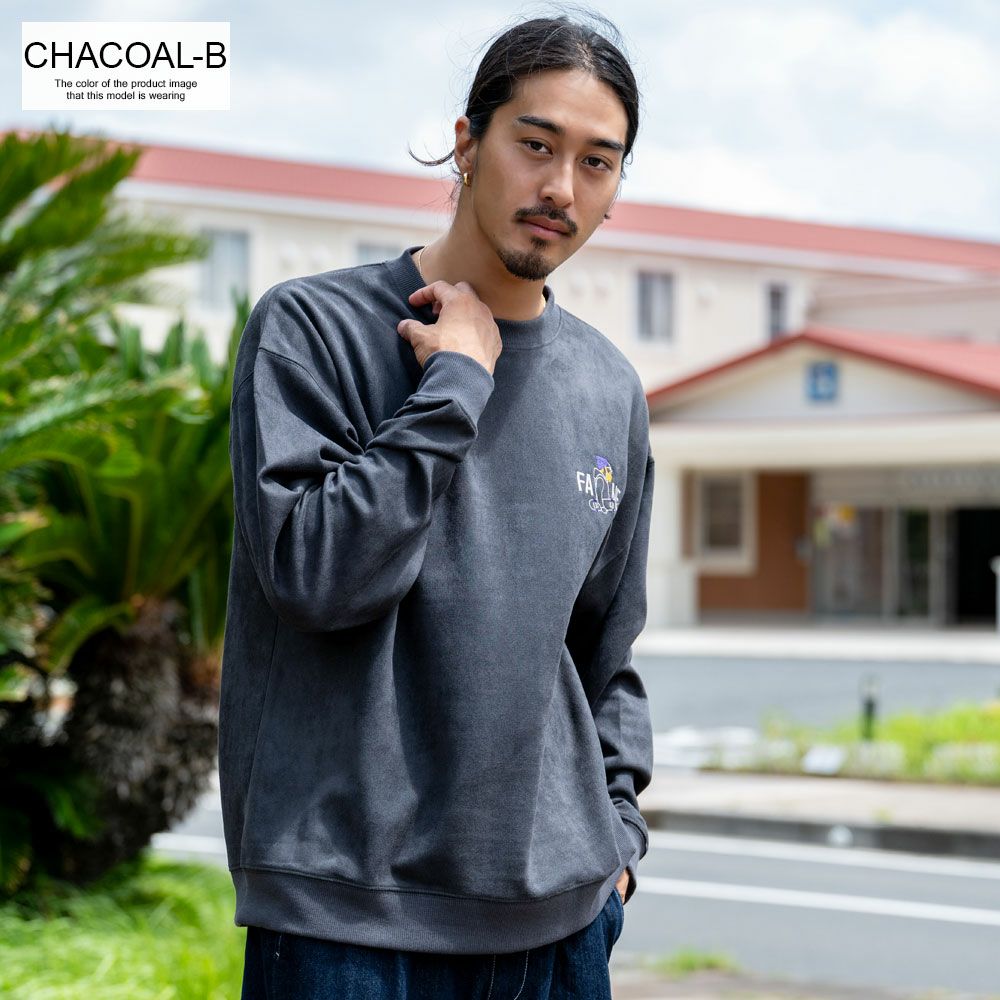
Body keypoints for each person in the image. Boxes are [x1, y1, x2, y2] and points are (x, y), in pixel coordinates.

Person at [220, 10, 655, 999]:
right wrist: (455, 383)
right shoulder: (314, 330)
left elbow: (606, 647)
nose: (561, 187)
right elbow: (318, 579)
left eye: (597, 162)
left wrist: (617, 839)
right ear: (467, 143)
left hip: (561, 928)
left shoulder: (608, 389)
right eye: (535, 144)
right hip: (345, 924)